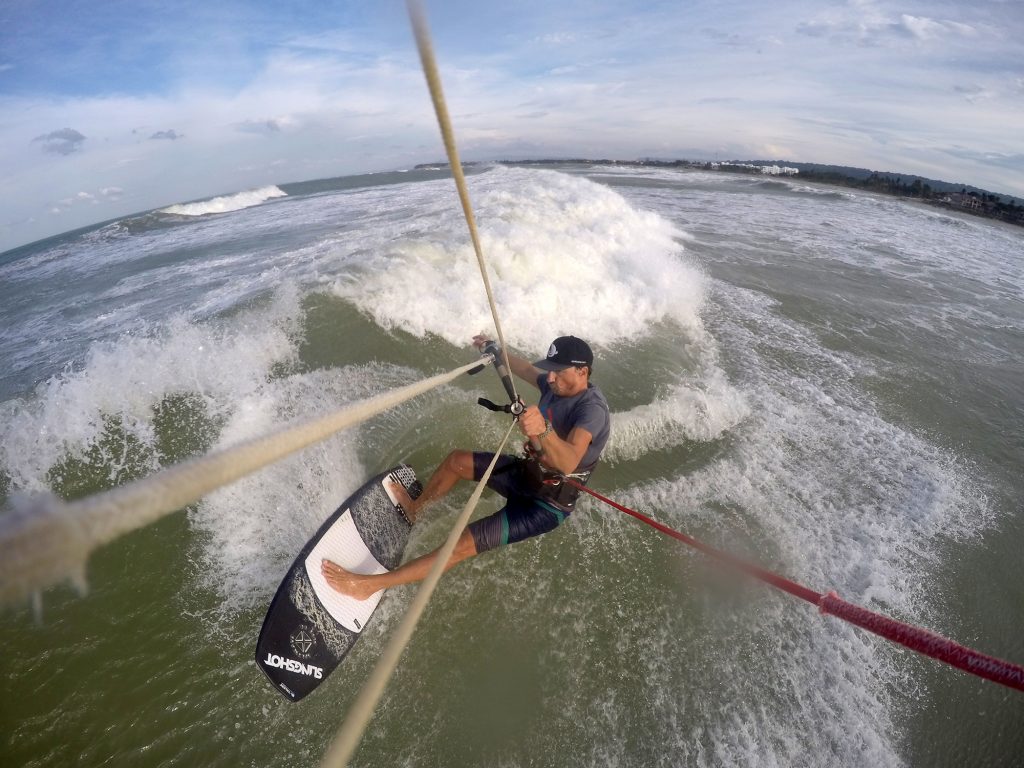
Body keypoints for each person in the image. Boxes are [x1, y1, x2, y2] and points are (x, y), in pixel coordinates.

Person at [321, 334, 611, 600]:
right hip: (528, 473)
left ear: (582, 372)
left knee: (459, 545)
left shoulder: (591, 410)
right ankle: (416, 509)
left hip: (545, 505)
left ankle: (369, 586)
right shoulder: (553, 383)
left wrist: (543, 430)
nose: (550, 377)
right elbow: (525, 370)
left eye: (558, 371)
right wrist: (496, 350)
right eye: (550, 368)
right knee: (456, 461)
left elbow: (570, 460)